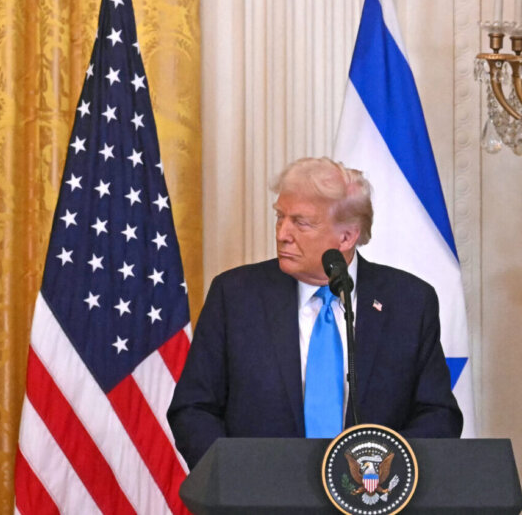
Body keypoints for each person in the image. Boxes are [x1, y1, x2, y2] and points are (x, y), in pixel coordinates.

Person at [167, 157, 462, 468]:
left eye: (301, 222)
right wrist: (234, 480)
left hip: (372, 499)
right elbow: (193, 409)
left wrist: (384, 477)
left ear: (347, 237)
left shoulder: (409, 302)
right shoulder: (236, 296)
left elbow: (438, 415)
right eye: (280, 217)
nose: (282, 233)